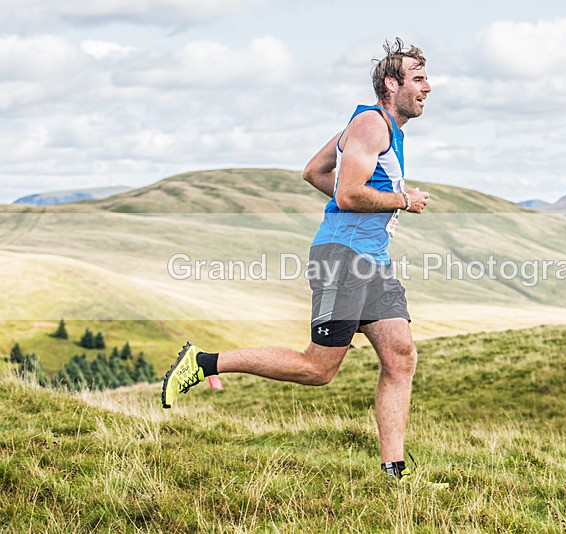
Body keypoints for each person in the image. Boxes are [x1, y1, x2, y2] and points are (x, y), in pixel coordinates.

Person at [162, 38, 432, 480]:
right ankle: (202, 363)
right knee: (318, 369)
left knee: (400, 356)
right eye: (418, 79)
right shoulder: (371, 124)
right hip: (342, 258)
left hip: (371, 260)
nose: (428, 88)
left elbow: (313, 172)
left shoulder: (382, 128)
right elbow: (346, 193)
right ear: (391, 83)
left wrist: (380, 205)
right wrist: (399, 201)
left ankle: (394, 472)